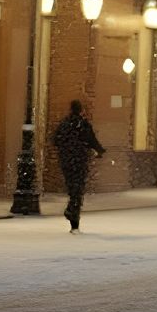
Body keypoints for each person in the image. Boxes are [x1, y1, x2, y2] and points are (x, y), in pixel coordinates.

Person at [53, 99, 105, 233]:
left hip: (66, 160)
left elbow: (55, 140)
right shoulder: (83, 124)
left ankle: (72, 212)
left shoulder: (64, 124)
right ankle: (73, 217)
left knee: (72, 186)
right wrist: (99, 151)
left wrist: (66, 148)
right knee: (78, 189)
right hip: (79, 160)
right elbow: (92, 140)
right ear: (81, 110)